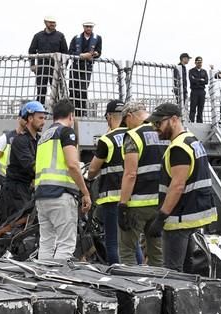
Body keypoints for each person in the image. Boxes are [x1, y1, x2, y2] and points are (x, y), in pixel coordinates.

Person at [145, 102, 217, 271]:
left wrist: (161, 217)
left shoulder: (179, 148)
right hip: (192, 215)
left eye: (159, 123)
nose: (156, 128)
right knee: (187, 268)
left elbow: (177, 186)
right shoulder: (192, 141)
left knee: (172, 271)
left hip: (179, 219)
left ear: (174, 120)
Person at [34, 99, 91, 260]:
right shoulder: (67, 132)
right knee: (65, 244)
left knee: (46, 242)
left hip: (42, 195)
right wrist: (85, 192)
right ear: (71, 116)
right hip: (61, 195)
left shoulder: (44, 136)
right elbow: (73, 164)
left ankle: (42, 279)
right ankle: (57, 281)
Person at [87, 99, 141, 264]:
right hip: (133, 197)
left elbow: (93, 170)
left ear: (109, 117)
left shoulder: (107, 139)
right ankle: (140, 272)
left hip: (112, 199)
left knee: (112, 242)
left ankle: (116, 276)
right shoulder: (136, 136)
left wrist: (89, 177)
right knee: (133, 242)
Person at [118, 100, 169, 267]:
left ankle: (132, 289)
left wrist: (123, 205)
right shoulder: (164, 132)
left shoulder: (133, 136)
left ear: (130, 116)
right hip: (162, 203)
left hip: (137, 205)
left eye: (125, 122)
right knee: (157, 253)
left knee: (127, 251)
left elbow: (131, 174)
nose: (126, 126)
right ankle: (160, 288)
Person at [0, 101, 47, 223]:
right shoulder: (20, 141)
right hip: (14, 192)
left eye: (44, 118)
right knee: (11, 228)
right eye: (40, 118)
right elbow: (31, 166)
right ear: (30, 118)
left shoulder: (39, 141)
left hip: (26, 190)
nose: (44, 121)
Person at [0, 116, 26, 226]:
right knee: (5, 219)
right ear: (19, 119)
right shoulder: (6, 138)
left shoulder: (33, 140)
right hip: (7, 186)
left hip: (24, 188)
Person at [28, 16, 68, 105]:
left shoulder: (60, 36)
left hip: (56, 67)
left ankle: (57, 112)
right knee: (41, 90)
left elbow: (65, 53)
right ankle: (40, 109)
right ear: (45, 22)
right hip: (41, 67)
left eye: (54, 22)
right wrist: (32, 64)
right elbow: (31, 51)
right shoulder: (38, 36)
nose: (53, 24)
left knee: (57, 90)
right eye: (50, 22)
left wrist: (63, 67)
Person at [67, 21, 102, 117]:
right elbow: (70, 52)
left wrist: (95, 54)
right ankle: (72, 112)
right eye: (87, 27)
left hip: (87, 67)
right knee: (73, 90)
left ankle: (82, 112)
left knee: (83, 89)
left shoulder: (98, 38)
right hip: (75, 67)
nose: (89, 29)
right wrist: (81, 55)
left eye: (90, 27)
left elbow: (99, 52)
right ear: (83, 27)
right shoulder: (76, 38)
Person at [188, 56, 208, 123]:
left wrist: (196, 80)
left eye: (201, 62)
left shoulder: (204, 71)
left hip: (202, 91)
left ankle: (200, 122)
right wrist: (201, 80)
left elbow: (206, 81)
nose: (200, 63)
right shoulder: (191, 71)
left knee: (200, 108)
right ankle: (191, 121)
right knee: (193, 107)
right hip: (194, 91)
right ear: (195, 62)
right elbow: (192, 80)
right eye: (198, 62)